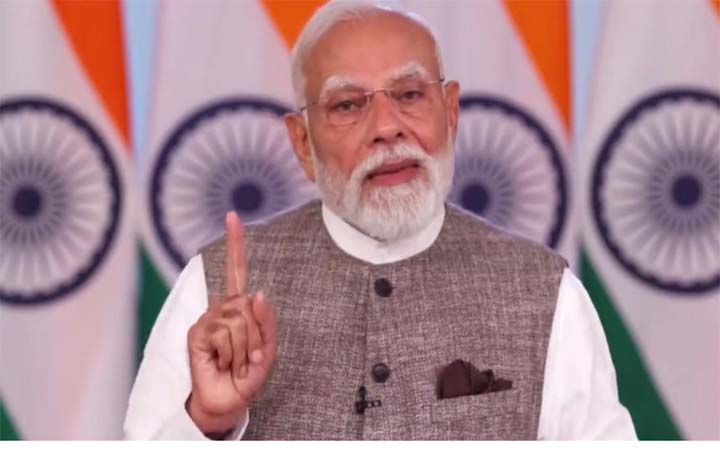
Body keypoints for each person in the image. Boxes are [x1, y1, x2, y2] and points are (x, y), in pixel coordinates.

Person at [124, 1, 636, 440]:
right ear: (302, 142)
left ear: (450, 112)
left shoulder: (543, 290)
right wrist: (207, 421)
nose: (387, 128)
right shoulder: (211, 290)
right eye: (348, 104)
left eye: (410, 95)